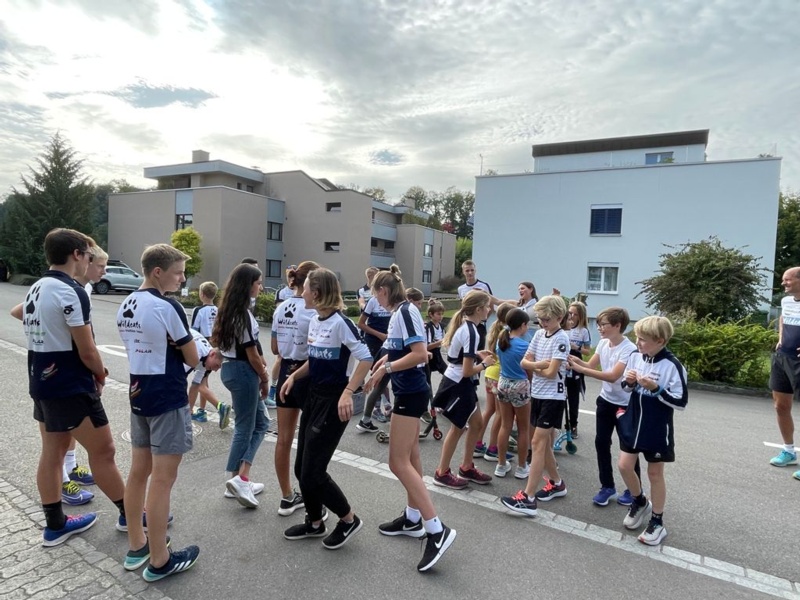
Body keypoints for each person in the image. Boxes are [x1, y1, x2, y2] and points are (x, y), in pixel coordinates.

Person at [19, 229, 126, 547]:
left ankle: (56, 524)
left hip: (41, 380)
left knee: (52, 453)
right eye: (89, 256)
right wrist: (101, 374)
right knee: (104, 451)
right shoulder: (72, 291)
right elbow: (88, 349)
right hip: (69, 384)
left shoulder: (37, 286)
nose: (90, 262)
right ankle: (131, 514)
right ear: (77, 255)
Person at [117, 243, 200, 580]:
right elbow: (193, 357)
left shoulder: (127, 303)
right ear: (157, 272)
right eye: (178, 273)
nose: (182, 279)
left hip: (139, 391)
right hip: (167, 394)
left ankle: (137, 544)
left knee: (139, 472)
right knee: (163, 480)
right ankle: (160, 560)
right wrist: (181, 347)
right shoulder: (167, 306)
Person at [366, 266, 457, 571]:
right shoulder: (400, 313)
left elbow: (420, 354)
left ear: (383, 291)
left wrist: (385, 369)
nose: (373, 300)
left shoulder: (405, 312)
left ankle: (436, 530)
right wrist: (383, 361)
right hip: (409, 390)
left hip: (410, 391)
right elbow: (399, 350)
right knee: (411, 456)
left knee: (397, 462)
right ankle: (413, 518)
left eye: (374, 293)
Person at [281, 268, 372, 549]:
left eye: (306, 288)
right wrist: (295, 376)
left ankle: (348, 519)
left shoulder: (341, 323)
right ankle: (315, 522)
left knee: (314, 472)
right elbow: (316, 358)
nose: (302, 292)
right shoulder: (315, 321)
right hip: (314, 397)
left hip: (333, 402)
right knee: (301, 468)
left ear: (318, 292)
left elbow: (366, 358)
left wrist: (348, 392)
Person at [617, 316, 688, 545]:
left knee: (655, 474)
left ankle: (657, 521)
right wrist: (629, 382)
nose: (637, 342)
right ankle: (639, 501)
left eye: (643, 339)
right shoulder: (635, 356)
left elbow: (681, 402)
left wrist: (656, 388)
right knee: (624, 465)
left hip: (657, 427)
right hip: (632, 422)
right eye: (637, 337)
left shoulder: (673, 365)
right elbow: (625, 387)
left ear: (660, 341)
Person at [501, 295, 570, 516]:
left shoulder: (562, 338)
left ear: (559, 317)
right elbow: (525, 362)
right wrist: (540, 364)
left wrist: (536, 367)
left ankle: (528, 497)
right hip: (537, 393)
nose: (542, 323)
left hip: (553, 397)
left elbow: (551, 373)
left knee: (537, 443)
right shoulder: (540, 334)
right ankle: (557, 483)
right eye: (540, 319)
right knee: (543, 444)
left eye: (547, 319)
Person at [568, 307, 640, 507]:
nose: (599, 328)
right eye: (599, 324)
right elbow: (590, 366)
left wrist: (580, 369)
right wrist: (573, 359)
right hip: (605, 400)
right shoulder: (602, 343)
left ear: (617, 325)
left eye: (603, 324)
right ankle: (607, 487)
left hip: (626, 405)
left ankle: (634, 490)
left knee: (628, 448)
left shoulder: (629, 349)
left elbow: (613, 376)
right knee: (601, 443)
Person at [213, 263, 270, 508]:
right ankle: (238, 478)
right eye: (258, 283)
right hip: (243, 371)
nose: (261, 287)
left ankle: (240, 479)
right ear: (248, 285)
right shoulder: (242, 314)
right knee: (246, 427)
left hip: (231, 369)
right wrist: (264, 378)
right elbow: (252, 354)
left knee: (260, 422)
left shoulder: (227, 310)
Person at [431, 290, 496, 489]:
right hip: (459, 383)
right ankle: (442, 472)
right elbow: (467, 371)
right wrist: (484, 364)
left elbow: (459, 355)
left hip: (459, 380)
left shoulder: (467, 327)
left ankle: (467, 467)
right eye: (487, 306)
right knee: (458, 428)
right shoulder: (471, 331)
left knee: (476, 423)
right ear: (478, 309)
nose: (489, 309)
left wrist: (477, 354)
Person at [270, 260, 320, 517]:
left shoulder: (281, 307)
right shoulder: (313, 311)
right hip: (307, 373)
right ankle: (313, 499)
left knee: (284, 438)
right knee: (310, 440)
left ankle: (287, 495)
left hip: (285, 371)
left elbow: (274, 348)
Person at [474, 302, 517, 462]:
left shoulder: (494, 327)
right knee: (500, 414)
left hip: (490, 372)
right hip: (499, 373)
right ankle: (493, 448)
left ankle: (477, 443)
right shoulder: (506, 332)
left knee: (490, 410)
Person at [494, 308, 533, 480]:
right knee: (523, 428)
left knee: (505, 425)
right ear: (522, 325)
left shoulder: (501, 341)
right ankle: (522, 466)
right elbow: (529, 370)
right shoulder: (525, 346)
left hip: (503, 383)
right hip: (520, 384)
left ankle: (501, 464)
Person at [769, 267, 800, 476]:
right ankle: (789, 451)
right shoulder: (786, 301)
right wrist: (781, 338)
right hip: (782, 358)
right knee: (781, 406)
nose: (783, 283)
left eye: (787, 280)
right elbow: (783, 319)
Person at [189, 282, 230, 428]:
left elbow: (193, 329)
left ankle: (219, 406)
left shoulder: (198, 310)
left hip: (201, 349)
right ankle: (201, 410)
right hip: (215, 346)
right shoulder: (218, 310)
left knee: (200, 383)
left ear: (201, 294)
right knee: (203, 381)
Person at [358, 282, 393, 421]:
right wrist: (379, 335)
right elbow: (361, 324)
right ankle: (377, 409)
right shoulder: (373, 301)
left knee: (384, 375)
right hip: (374, 341)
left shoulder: (391, 302)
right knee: (378, 374)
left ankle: (387, 406)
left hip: (387, 342)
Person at [267, 265, 298, 407]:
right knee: (280, 358)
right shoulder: (282, 292)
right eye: (288, 276)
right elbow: (280, 312)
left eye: (292, 276)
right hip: (286, 329)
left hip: (297, 330)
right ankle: (273, 388)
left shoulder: (303, 291)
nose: (290, 279)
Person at [565, 301, 591, 438]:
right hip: (562, 361)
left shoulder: (583, 331)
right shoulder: (564, 327)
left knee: (573, 396)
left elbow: (587, 352)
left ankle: (573, 424)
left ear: (580, 316)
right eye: (570, 313)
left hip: (575, 362)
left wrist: (577, 347)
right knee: (559, 394)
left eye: (575, 314)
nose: (572, 316)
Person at [457, 261, 495, 350]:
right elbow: (462, 307)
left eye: (472, 270)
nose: (470, 273)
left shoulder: (484, 286)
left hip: (480, 325)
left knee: (479, 351)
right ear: (463, 272)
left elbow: (491, 306)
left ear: (475, 271)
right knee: (467, 349)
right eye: (467, 271)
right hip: (466, 324)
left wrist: (483, 319)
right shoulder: (461, 289)